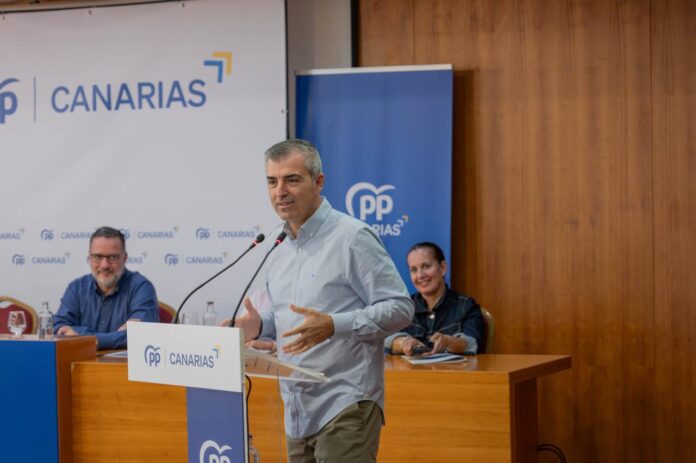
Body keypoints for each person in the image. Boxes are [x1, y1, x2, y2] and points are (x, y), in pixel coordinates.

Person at [231, 139, 414, 463]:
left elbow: (401, 308)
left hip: (346, 400)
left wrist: (334, 325)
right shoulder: (277, 243)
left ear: (318, 182)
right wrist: (261, 324)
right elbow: (290, 314)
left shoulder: (352, 237)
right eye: (272, 181)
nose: (280, 192)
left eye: (292, 179)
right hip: (296, 406)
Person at [53, 226, 159, 350]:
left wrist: (84, 336)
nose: (104, 265)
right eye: (98, 257)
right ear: (89, 258)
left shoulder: (141, 287)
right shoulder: (76, 288)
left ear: (124, 258)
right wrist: (113, 337)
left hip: (124, 363)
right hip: (81, 361)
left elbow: (141, 334)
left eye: (112, 257)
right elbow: (58, 328)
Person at [386, 242, 484, 356]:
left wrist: (448, 341)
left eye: (426, 266)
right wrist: (403, 343)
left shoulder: (467, 306)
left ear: (443, 267)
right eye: (413, 270)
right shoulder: (404, 307)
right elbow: (387, 339)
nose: (420, 275)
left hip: (452, 368)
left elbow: (470, 343)